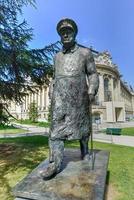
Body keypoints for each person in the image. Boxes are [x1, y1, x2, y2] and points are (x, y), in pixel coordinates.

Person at [40, 18, 99, 179]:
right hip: (60, 98)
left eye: (68, 31)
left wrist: (92, 90)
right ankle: (55, 164)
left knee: (83, 126)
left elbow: (93, 73)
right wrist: (51, 88)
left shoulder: (85, 53)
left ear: (74, 33)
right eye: (62, 32)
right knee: (55, 131)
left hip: (79, 95)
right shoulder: (56, 56)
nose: (65, 34)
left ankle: (85, 150)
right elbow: (54, 77)